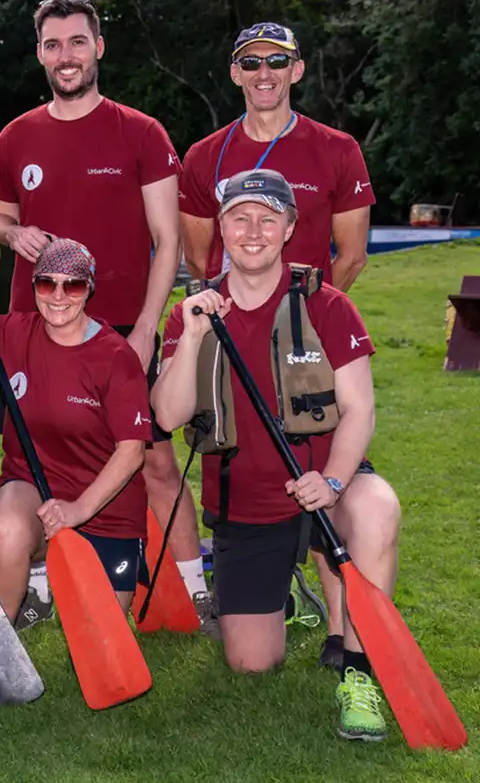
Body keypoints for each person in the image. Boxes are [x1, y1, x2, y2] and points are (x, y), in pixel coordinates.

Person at [0, 0, 210, 635]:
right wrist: (10, 233)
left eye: (77, 42)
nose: (65, 56)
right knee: (32, 454)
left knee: (156, 461)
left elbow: (168, 240)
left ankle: (192, 590)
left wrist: (142, 327)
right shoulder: (16, 136)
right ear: (39, 54)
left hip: (117, 334)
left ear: (98, 47)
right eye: (52, 45)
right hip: (37, 336)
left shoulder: (139, 131)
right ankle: (32, 586)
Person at [154, 168, 400, 742]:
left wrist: (335, 481)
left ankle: (359, 674)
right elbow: (165, 417)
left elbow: (359, 409)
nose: (254, 231)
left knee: (377, 507)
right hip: (247, 504)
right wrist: (190, 338)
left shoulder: (328, 305)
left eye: (269, 219)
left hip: (326, 488)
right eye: (240, 218)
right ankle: (292, 591)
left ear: (289, 228)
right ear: (221, 227)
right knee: (251, 663)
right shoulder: (192, 311)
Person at [179, 23, 377, 658]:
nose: (263, 72)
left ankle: (347, 641)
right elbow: (199, 251)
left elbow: (351, 252)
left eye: (277, 61)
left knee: (335, 483)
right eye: (249, 62)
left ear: (297, 69)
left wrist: (307, 316)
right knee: (248, 660)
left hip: (309, 344)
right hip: (230, 340)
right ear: (235, 72)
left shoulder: (337, 147)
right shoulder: (206, 154)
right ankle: (270, 585)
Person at [0, 238, 152, 685]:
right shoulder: (15, 331)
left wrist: (77, 511)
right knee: (6, 530)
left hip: (105, 507)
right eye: (46, 284)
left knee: (96, 658)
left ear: (89, 289)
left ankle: (48, 584)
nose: (58, 296)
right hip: (32, 485)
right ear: (33, 286)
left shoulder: (116, 357)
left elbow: (131, 452)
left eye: (72, 286)